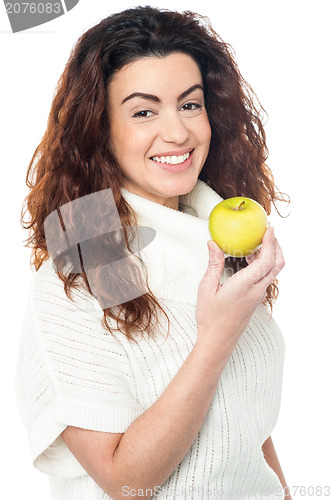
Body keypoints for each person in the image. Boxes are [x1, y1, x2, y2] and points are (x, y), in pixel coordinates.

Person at [16, 5, 291, 500]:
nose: (179, 133)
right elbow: (128, 483)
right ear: (99, 128)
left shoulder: (220, 232)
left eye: (190, 104)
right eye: (144, 111)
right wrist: (216, 336)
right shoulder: (91, 251)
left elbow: (242, 420)